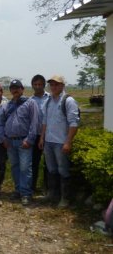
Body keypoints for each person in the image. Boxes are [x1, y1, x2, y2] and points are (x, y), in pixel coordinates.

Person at [39, 75, 80, 208]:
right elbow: (45, 121)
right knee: (51, 170)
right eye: (52, 84)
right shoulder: (48, 101)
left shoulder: (68, 101)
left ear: (62, 85)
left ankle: (65, 198)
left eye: (56, 84)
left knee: (63, 171)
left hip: (61, 142)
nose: (54, 87)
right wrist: (42, 138)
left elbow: (74, 123)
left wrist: (68, 142)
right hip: (49, 142)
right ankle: (52, 194)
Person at [0, 79, 39, 206]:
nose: (15, 90)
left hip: (24, 141)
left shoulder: (30, 103)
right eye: (12, 88)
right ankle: (18, 190)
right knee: (15, 167)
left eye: (17, 87)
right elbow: (1, 123)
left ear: (22, 89)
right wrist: (4, 138)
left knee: (25, 168)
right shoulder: (8, 105)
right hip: (10, 142)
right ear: (10, 90)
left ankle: (26, 193)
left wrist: (30, 139)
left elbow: (35, 123)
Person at [30, 74, 50, 193]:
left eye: (40, 84)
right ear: (32, 85)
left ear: (44, 85)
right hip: (35, 135)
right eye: (35, 84)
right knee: (34, 162)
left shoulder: (50, 98)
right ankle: (32, 187)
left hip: (49, 135)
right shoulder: (30, 100)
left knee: (48, 163)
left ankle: (46, 188)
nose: (38, 87)